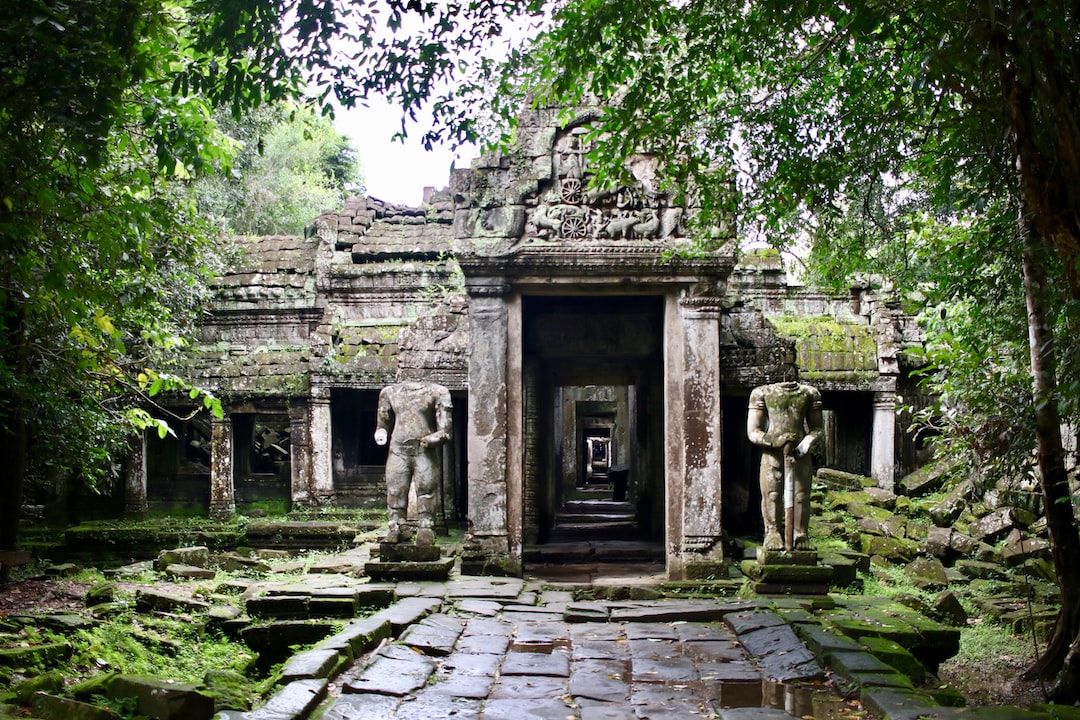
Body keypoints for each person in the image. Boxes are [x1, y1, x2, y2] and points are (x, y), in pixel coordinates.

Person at [746, 380, 823, 552]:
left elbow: (817, 428)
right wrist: (774, 441)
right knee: (772, 495)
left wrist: (805, 444)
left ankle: (800, 533)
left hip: (799, 451)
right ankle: (772, 531)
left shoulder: (810, 393)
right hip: (772, 453)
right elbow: (753, 431)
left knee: (801, 495)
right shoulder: (761, 393)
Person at [374, 380, 453, 547]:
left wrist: (431, 439)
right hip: (398, 449)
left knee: (426, 489)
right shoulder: (389, 392)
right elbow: (382, 424)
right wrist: (380, 434)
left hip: (423, 449)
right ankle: (396, 526)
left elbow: (445, 431)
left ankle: (426, 526)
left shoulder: (438, 392)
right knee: (395, 489)